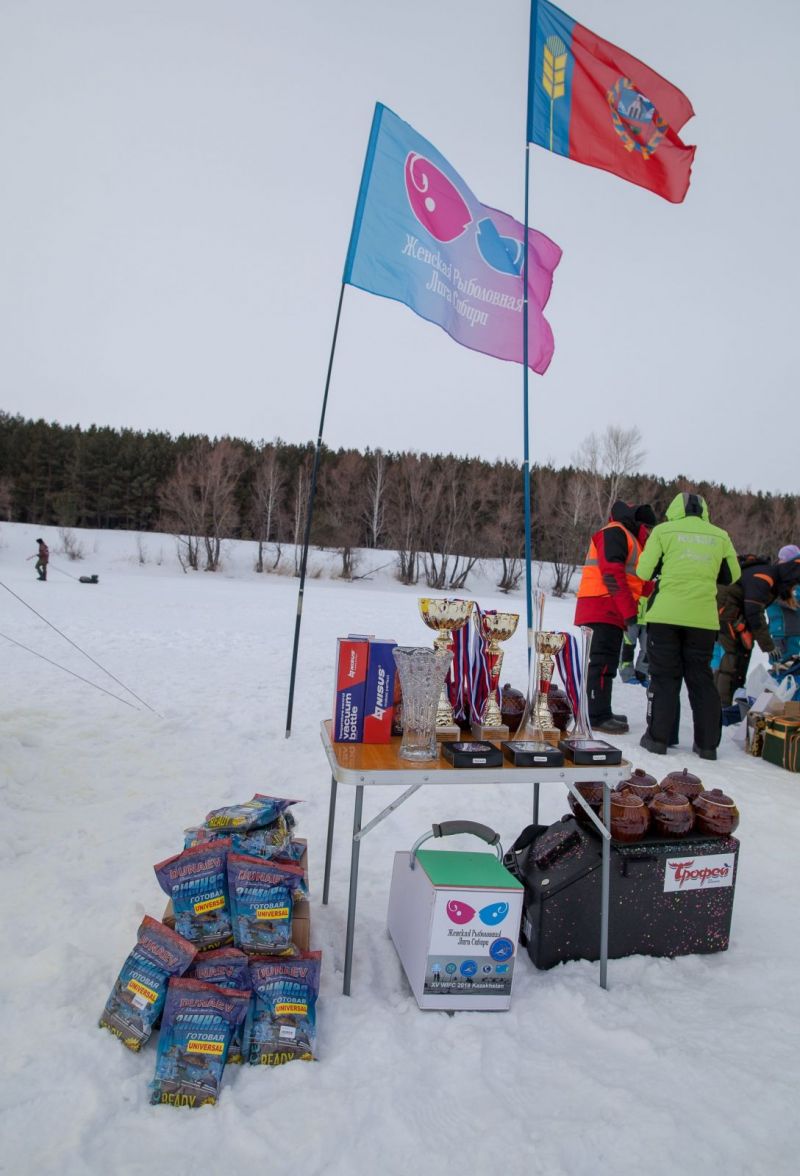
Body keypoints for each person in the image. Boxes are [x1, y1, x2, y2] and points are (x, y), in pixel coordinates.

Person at [636, 492, 740, 761]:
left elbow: (643, 572)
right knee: (701, 679)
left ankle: (658, 739)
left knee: (664, 677)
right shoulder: (720, 535)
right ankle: (707, 746)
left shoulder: (663, 531)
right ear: (703, 511)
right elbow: (732, 575)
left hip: (665, 616)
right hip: (703, 619)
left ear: (674, 509)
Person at [574, 501, 655, 734]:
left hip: (609, 606)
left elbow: (637, 579)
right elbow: (612, 573)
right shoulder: (615, 532)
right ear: (638, 523)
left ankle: (601, 711)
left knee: (607, 662)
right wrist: (629, 611)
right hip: (602, 604)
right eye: (648, 528)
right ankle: (596, 716)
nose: (649, 533)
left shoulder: (629, 538)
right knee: (601, 662)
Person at [715, 547, 800, 705]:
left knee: (743, 652)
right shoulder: (764, 577)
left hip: (734, 612)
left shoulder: (773, 580)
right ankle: (722, 704)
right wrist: (768, 646)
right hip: (726, 611)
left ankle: (733, 699)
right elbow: (754, 610)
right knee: (733, 655)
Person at [767, 544, 800, 665]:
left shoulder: (781, 578)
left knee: (786, 665)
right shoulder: (780, 578)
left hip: (786, 630)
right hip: (782, 630)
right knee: (784, 665)